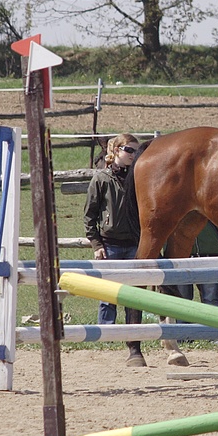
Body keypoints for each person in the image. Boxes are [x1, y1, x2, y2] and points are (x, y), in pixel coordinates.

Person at [83, 133, 140, 326]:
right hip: (110, 245)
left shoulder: (139, 178)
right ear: (116, 150)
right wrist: (96, 244)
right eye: (129, 150)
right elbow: (89, 215)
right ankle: (106, 334)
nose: (133, 154)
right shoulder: (101, 179)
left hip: (134, 244)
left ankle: (133, 331)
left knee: (133, 294)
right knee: (107, 294)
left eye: (136, 151)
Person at [176, 221, 218, 313]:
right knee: (182, 302)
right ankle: (183, 327)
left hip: (209, 250)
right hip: (180, 254)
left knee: (211, 299)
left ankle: (213, 327)